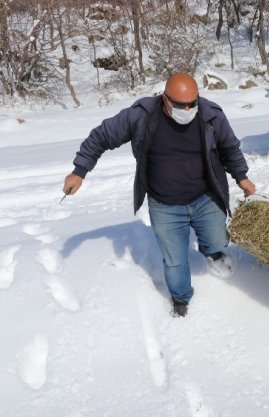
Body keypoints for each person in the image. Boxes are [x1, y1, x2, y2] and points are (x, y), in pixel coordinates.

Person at [62, 72, 256, 317]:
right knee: (175, 260)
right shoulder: (141, 116)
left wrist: (242, 176)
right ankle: (181, 298)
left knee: (218, 239)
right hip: (165, 204)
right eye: (180, 104)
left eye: (192, 103)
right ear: (165, 98)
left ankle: (212, 251)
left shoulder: (210, 114)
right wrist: (79, 171)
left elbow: (230, 147)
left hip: (205, 196)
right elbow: (102, 136)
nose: (187, 109)